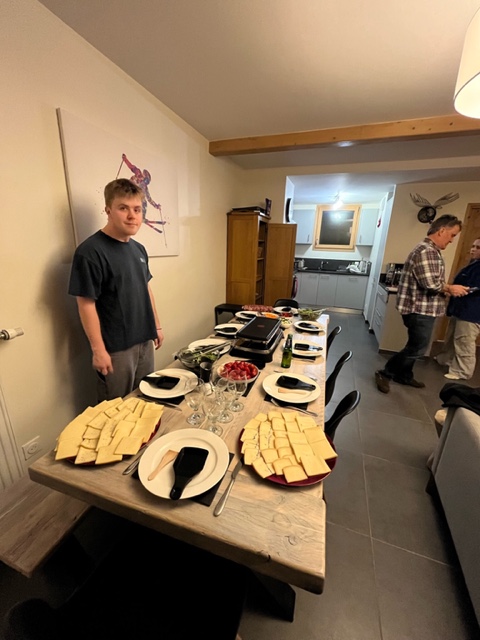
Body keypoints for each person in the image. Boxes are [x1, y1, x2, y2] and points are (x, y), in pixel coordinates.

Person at [68, 178, 164, 401]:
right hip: (116, 349)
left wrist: (157, 326)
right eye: (123, 208)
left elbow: (146, 289)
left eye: (137, 209)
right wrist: (98, 350)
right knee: (116, 408)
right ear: (108, 210)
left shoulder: (138, 249)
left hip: (144, 340)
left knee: (145, 400)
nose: (132, 216)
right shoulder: (90, 252)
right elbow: (85, 303)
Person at [375, 214, 469, 394]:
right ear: (442, 231)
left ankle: (404, 375)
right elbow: (431, 284)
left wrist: (446, 288)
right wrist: (451, 288)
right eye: (452, 235)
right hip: (419, 309)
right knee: (417, 347)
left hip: (421, 308)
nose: (451, 240)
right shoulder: (427, 251)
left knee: (415, 344)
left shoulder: (429, 250)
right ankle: (385, 373)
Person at [435, 238, 480, 380]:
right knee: (452, 337)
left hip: (471, 312)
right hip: (459, 308)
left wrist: (455, 290)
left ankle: (462, 371)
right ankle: (446, 359)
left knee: (464, 341)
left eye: (478, 248)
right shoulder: (473, 265)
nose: (473, 249)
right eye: (473, 246)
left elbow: (473, 288)